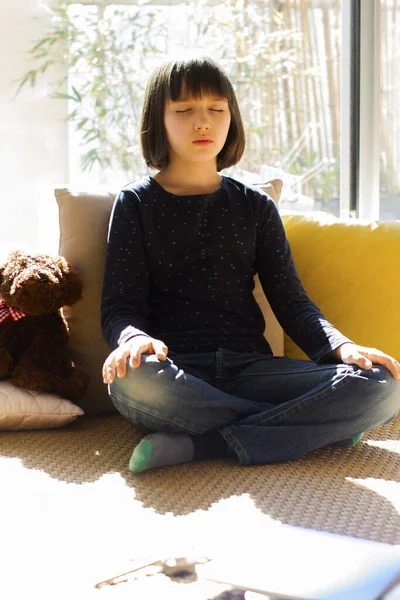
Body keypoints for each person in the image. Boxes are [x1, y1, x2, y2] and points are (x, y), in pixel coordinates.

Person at [101, 55, 400, 474]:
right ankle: (312, 427)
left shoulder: (255, 206)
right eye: (184, 110)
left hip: (254, 368)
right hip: (176, 371)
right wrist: (132, 339)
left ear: (231, 119)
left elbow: (293, 303)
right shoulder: (134, 204)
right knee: (130, 379)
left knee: (384, 388)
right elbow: (119, 308)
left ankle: (202, 444)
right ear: (159, 120)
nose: (202, 123)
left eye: (216, 110)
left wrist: (344, 347)